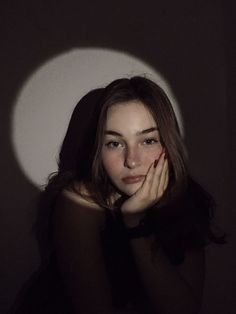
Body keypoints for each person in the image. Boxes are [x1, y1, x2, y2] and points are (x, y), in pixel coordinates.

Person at [11, 76, 224, 314]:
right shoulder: (80, 202)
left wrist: (136, 223)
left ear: (169, 145)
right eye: (114, 143)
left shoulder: (185, 199)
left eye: (148, 140)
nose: (132, 160)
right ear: (98, 151)